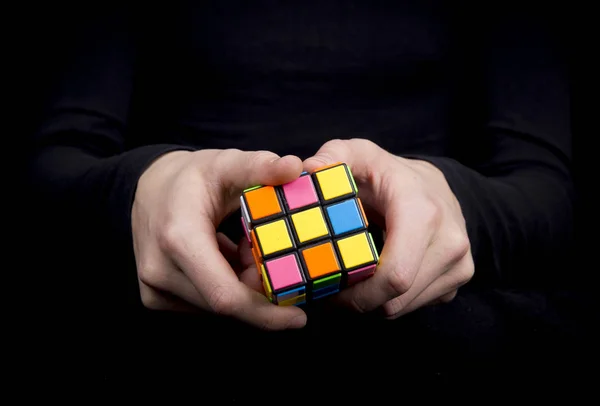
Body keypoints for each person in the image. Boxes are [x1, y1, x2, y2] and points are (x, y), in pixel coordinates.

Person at [27, 1, 579, 373]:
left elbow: (548, 186)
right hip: (172, 302)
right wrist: (141, 187)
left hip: (438, 319)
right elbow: (49, 166)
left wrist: (451, 197)